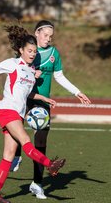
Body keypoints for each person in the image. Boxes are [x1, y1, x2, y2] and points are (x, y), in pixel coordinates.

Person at [0, 24, 66, 203]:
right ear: (21, 50)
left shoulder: (32, 72)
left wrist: (44, 98)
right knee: (25, 141)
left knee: (8, 155)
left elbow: (28, 93)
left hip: (16, 114)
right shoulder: (12, 64)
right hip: (6, 110)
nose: (33, 54)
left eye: (34, 51)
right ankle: (50, 165)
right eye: (30, 50)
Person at [11, 20, 91, 200]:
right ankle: (16, 155)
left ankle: (37, 183)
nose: (48, 39)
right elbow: (17, 70)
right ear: (37, 33)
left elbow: (59, 76)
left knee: (40, 142)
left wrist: (76, 92)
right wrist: (32, 72)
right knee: (16, 130)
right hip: (23, 98)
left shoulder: (54, 53)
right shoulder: (28, 51)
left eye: (51, 36)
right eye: (45, 35)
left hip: (43, 103)